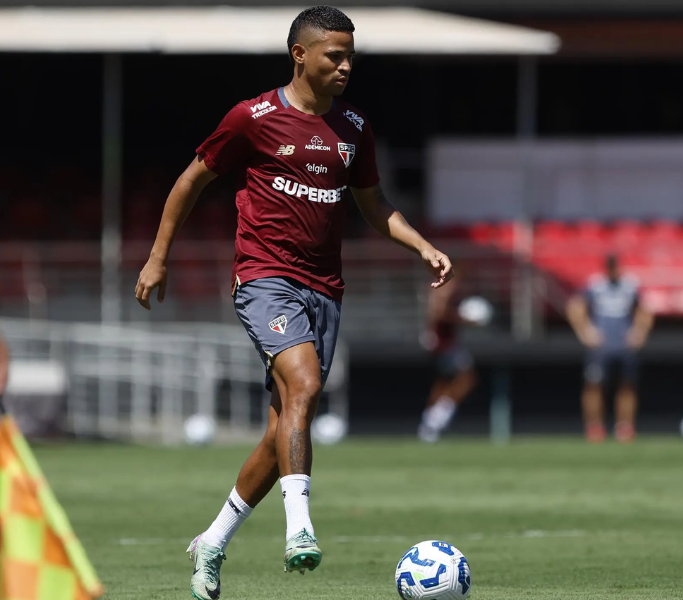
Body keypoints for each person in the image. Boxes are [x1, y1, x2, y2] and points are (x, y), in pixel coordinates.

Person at [134, 6, 454, 599]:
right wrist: (158, 258)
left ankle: (213, 542)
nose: (346, 66)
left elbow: (374, 204)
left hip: (325, 288)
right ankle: (299, 528)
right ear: (299, 55)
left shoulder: (353, 128)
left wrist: (422, 246)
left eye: (351, 55)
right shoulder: (252, 118)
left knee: (283, 426)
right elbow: (190, 181)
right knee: (303, 384)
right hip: (264, 278)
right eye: (335, 55)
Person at [566, 254, 653, 443]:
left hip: (625, 346)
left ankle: (625, 428)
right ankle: (594, 428)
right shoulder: (595, 285)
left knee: (627, 385)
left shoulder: (630, 286)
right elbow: (575, 306)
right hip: (601, 347)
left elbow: (645, 309)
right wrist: (585, 331)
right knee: (594, 386)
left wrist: (639, 332)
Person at [417, 276, 478, 443]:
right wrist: (465, 320)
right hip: (444, 346)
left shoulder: (444, 293)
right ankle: (437, 417)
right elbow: (439, 314)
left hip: (444, 344)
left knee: (444, 382)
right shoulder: (441, 292)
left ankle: (430, 422)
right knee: (466, 379)